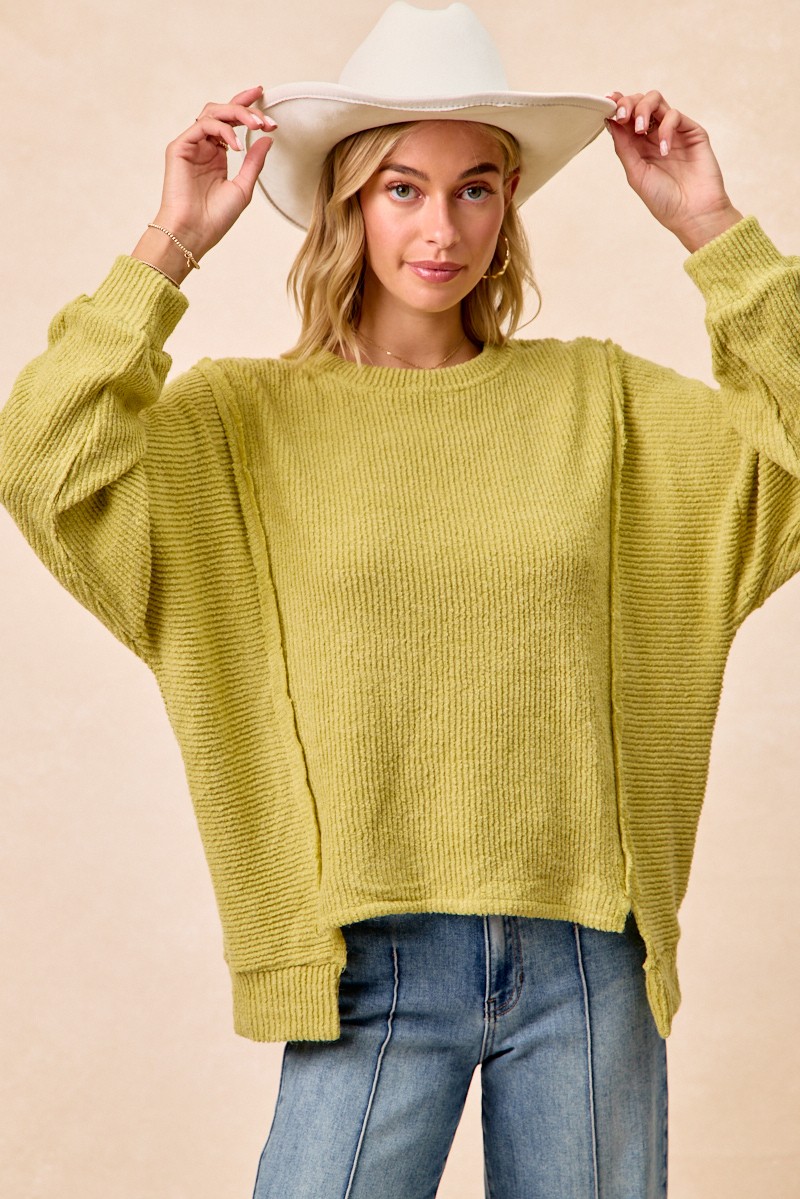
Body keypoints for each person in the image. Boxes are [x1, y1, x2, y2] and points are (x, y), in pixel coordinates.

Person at [1, 2, 799, 1196]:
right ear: (347, 202)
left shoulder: (605, 407)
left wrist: (710, 228)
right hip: (363, 960)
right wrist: (172, 241)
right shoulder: (236, 425)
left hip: (587, 951)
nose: (442, 229)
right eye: (402, 189)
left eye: (475, 189)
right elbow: (42, 460)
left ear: (508, 204)